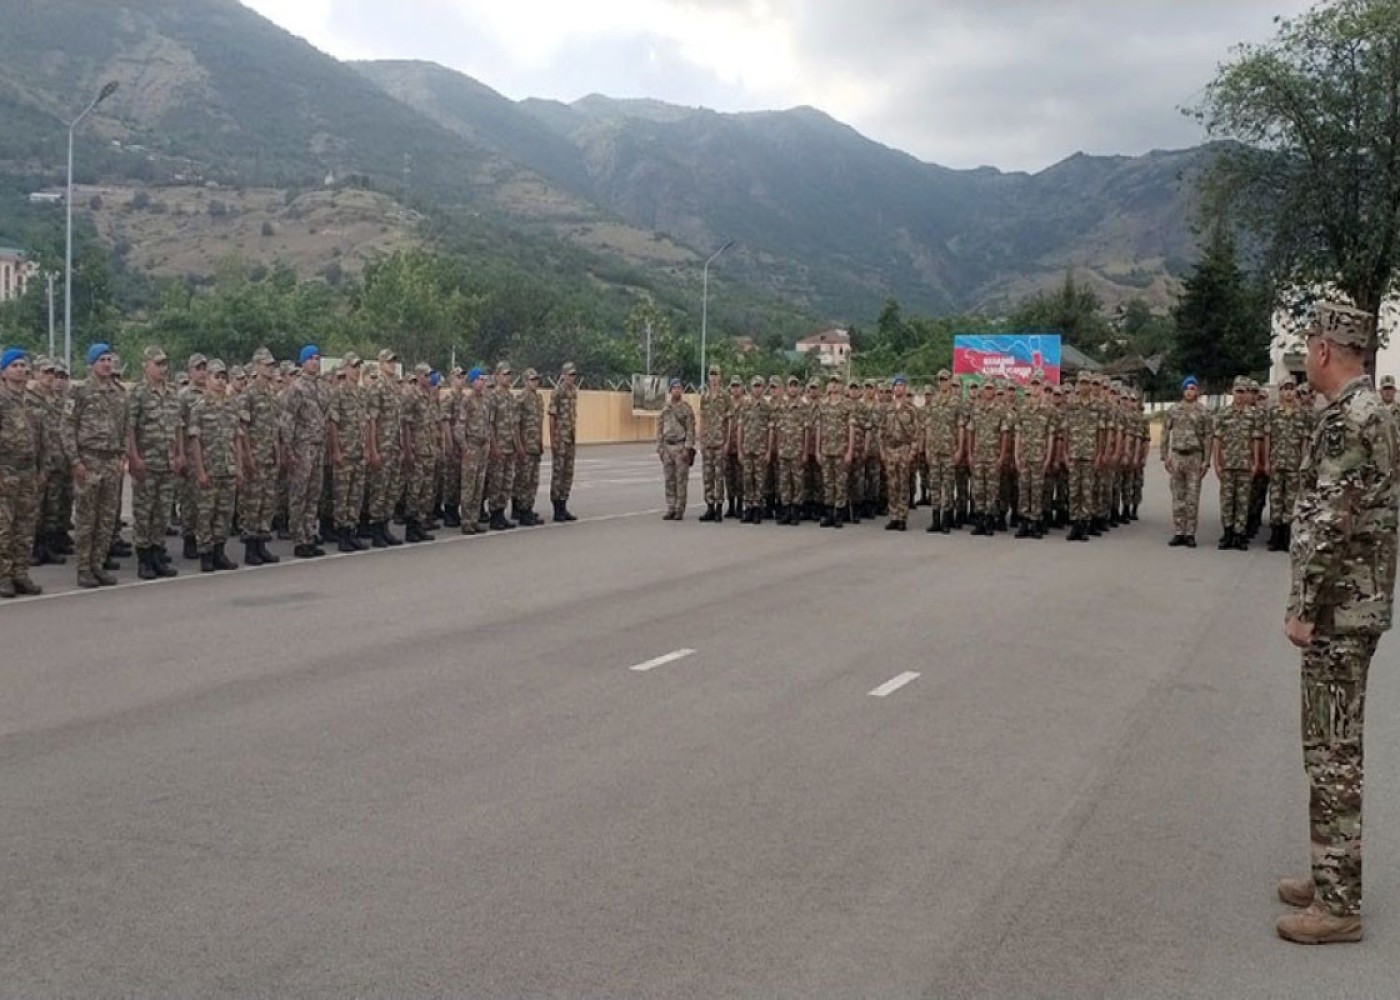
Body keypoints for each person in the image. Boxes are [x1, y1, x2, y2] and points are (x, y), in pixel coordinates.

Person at [1277, 302, 1398, 945]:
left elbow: (1328, 521)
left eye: (1308, 347)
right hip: (1359, 603)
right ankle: (1328, 873)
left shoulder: (1347, 419)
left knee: (1332, 751)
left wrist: (1301, 607)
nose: (1306, 359)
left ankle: (1339, 904)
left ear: (1325, 350)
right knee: (1331, 741)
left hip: (1340, 610)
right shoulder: (1368, 412)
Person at [65, 343, 128, 588]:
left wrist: (122, 455)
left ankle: (98, 565)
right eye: (101, 359)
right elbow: (67, 427)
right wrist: (75, 461)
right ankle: (83, 568)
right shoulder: (79, 392)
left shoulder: (119, 392)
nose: (106, 363)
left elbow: (125, 426)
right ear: (91, 363)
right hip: (88, 459)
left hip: (111, 460)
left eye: (109, 359)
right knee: (86, 518)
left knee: (106, 518)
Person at [126, 346, 183, 579]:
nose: (162, 368)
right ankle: (144, 559)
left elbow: (178, 425)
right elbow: (129, 428)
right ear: (145, 365)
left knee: (161, 513)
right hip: (147, 462)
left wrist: (180, 454)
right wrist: (134, 457)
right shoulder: (138, 393)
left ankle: (158, 554)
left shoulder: (171, 393)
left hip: (167, 462)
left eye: (164, 364)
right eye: (157, 364)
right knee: (144, 512)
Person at [187, 359, 241, 571]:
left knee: (224, 512)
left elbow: (236, 437)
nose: (219, 382)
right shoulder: (199, 407)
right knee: (206, 513)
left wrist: (238, 466)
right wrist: (200, 471)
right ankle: (205, 553)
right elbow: (195, 441)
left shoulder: (231, 406)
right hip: (209, 468)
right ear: (207, 379)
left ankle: (220, 551)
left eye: (222, 378)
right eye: (215, 377)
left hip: (227, 468)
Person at [0, 348, 44, 598]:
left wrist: (40, 469)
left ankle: (20, 573)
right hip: (6, 470)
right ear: (4, 371)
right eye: (14, 365)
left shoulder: (31, 400)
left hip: (28, 470)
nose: (20, 369)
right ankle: (3, 576)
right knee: (4, 527)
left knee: (26, 526)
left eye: (23, 365)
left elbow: (40, 437)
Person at [284, 345, 330, 558]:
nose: (315, 362)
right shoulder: (296, 388)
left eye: (317, 358)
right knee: (299, 494)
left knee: (314, 493)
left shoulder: (322, 387)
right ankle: (299, 538)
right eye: (311, 358)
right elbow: (288, 420)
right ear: (303, 362)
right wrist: (288, 449)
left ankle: (310, 534)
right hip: (302, 447)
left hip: (318, 445)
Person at [1161, 376, 1211, 547]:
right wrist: (1164, 456)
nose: (1190, 392)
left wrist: (1206, 461)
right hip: (1177, 456)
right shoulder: (1174, 410)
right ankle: (1179, 531)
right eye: (1187, 388)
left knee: (1192, 497)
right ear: (1182, 391)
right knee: (1177, 496)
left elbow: (1207, 437)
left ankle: (1190, 533)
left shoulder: (1203, 411)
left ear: (1197, 391)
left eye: (1193, 388)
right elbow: (1165, 432)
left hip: (1194, 457)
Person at [1213, 376, 1260, 551]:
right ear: (1232, 392)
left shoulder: (1252, 415)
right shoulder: (1224, 414)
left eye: (1243, 392)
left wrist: (1255, 462)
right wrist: (1216, 462)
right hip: (1228, 464)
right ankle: (1227, 533)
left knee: (1243, 500)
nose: (1240, 395)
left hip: (1245, 464)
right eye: (1237, 391)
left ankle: (1240, 534)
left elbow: (1255, 440)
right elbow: (1217, 439)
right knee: (1226, 500)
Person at [1265, 376, 1309, 553]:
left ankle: (1286, 537)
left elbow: (1305, 441)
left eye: (1291, 388)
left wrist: (1303, 462)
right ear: (1280, 392)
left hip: (1294, 463)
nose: (1288, 392)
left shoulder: (1302, 414)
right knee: (1275, 499)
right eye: (1285, 388)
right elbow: (1268, 437)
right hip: (1276, 461)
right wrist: (1268, 460)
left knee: (1290, 501)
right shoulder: (1273, 413)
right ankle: (1275, 536)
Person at [881, 376, 919, 531]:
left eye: (901, 385)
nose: (898, 388)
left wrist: (912, 451)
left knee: (903, 484)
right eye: (896, 386)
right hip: (890, 450)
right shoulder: (887, 408)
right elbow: (881, 431)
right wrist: (882, 451)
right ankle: (893, 516)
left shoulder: (910, 410)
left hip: (904, 449)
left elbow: (917, 433)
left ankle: (902, 517)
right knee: (892, 484)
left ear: (905, 389)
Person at [656, 377, 695, 520]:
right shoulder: (665, 408)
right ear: (670, 390)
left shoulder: (686, 408)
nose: (676, 390)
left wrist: (688, 448)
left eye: (679, 387)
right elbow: (660, 427)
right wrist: (660, 447)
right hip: (668, 446)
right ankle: (670, 507)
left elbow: (691, 429)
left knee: (681, 480)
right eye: (674, 388)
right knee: (669, 479)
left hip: (680, 446)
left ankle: (679, 509)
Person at [512, 368, 546, 526]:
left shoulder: (538, 398)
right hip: (525, 445)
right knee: (523, 480)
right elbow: (516, 424)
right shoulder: (521, 398)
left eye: (536, 379)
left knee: (533, 480)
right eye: (532, 379)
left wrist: (540, 443)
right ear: (525, 381)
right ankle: (522, 510)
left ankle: (528, 508)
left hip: (535, 445)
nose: (535, 382)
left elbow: (539, 424)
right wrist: (519, 445)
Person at [548, 361, 580, 522]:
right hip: (560, 438)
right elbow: (552, 417)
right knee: (558, 473)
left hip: (570, 438)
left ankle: (564, 504)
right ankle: (556, 508)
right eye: (570, 374)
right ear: (564, 375)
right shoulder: (557, 392)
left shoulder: (574, 391)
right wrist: (553, 439)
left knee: (568, 473)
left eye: (574, 375)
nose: (572, 378)